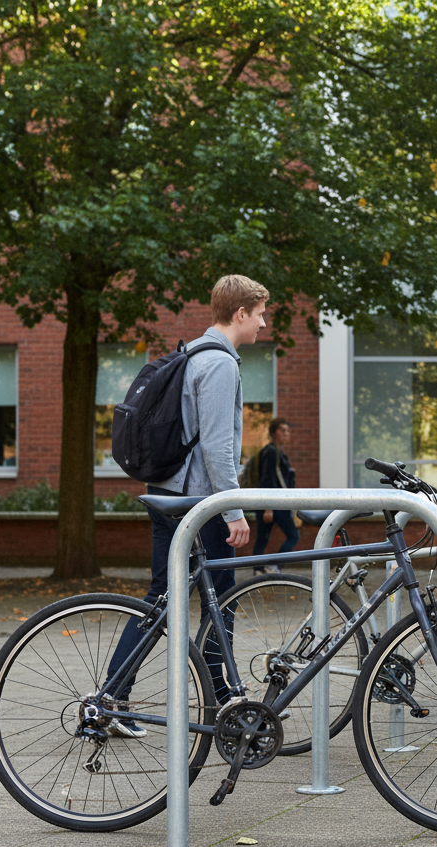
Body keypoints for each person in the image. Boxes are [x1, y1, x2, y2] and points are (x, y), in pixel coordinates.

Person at [104, 274, 269, 735]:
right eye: (259, 314)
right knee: (223, 597)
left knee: (162, 600)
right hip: (197, 502)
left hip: (168, 494)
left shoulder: (191, 352)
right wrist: (233, 510)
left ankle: (112, 700)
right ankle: (223, 705)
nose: (262, 323)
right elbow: (218, 448)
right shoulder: (220, 364)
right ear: (240, 313)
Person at [251, 417, 299, 572]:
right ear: (273, 433)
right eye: (282, 430)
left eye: (288, 431)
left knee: (262, 537)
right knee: (293, 535)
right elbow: (268, 479)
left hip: (273, 503)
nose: (286, 434)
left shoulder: (277, 452)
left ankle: (258, 568)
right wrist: (268, 508)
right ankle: (275, 565)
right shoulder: (271, 452)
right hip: (273, 505)